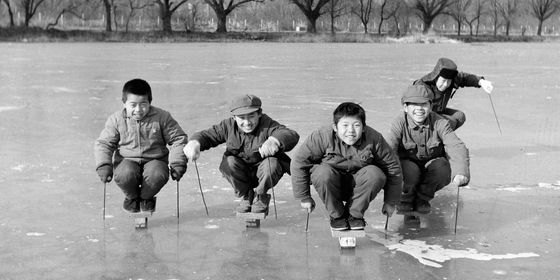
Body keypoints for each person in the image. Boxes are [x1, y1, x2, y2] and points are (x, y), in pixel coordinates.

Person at [291, 102, 403, 231]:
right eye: (345, 125)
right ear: (335, 127)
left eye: (356, 125)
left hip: (360, 187)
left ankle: (355, 215)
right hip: (331, 185)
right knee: (322, 172)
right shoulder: (321, 136)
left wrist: (390, 201)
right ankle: (337, 215)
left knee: (375, 174)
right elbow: (299, 162)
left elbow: (393, 167)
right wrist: (304, 197)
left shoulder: (374, 138)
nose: (351, 131)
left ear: (364, 127)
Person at [183, 94, 299, 214]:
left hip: (263, 172)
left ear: (259, 114)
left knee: (273, 164)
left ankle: (260, 195)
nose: (247, 122)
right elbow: (206, 135)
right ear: (234, 117)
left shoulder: (267, 124)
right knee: (229, 163)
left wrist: (274, 140)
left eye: (251, 116)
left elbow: (290, 134)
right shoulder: (227, 126)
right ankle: (246, 195)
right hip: (241, 173)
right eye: (241, 118)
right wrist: (195, 143)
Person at [94, 79, 188, 213]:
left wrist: (178, 163)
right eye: (133, 105)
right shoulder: (116, 119)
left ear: (150, 101)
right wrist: (104, 165)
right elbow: (104, 143)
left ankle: (146, 197)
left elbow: (178, 139)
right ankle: (132, 197)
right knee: (125, 174)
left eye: (143, 104)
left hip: (155, 160)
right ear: (124, 103)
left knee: (157, 174)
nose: (138, 110)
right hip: (127, 161)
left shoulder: (162, 117)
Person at [386, 84, 470, 215]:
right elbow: (389, 149)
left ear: (430, 106)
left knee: (443, 168)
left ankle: (422, 199)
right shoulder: (399, 122)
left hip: (431, 166)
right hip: (408, 167)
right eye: (414, 104)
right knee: (409, 171)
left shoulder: (440, 122)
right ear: (405, 107)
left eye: (424, 104)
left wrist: (461, 172)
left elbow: (455, 146)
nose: (419, 109)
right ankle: (406, 200)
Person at [414, 57, 494, 130]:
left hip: (438, 111)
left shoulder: (452, 80)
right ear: (436, 77)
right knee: (449, 122)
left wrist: (481, 82)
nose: (446, 84)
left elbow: (464, 77)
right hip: (424, 118)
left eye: (449, 81)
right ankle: (437, 139)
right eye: (443, 81)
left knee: (460, 116)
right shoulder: (422, 87)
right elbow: (415, 111)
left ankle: (442, 136)